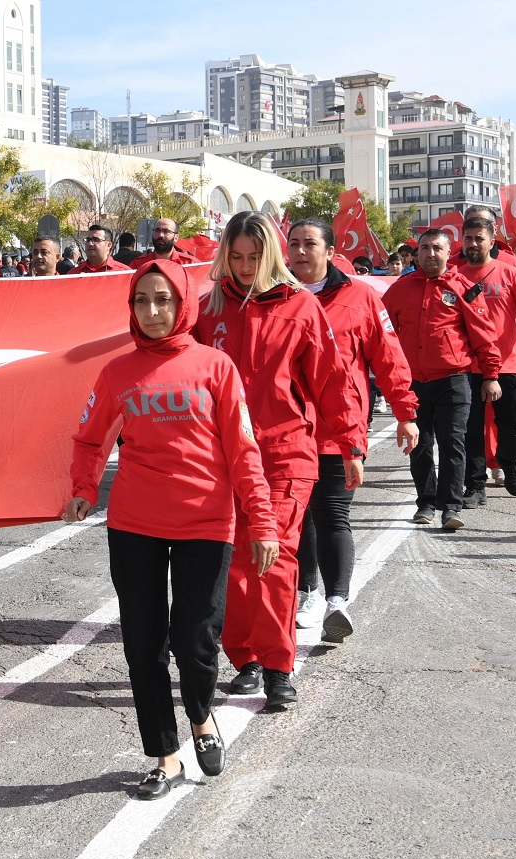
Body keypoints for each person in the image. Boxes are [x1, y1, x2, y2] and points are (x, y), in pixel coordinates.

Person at [65, 258, 274, 800]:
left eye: (164, 300)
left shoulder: (215, 367)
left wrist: (262, 519)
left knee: (195, 639)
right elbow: (90, 438)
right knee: (143, 644)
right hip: (135, 523)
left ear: (183, 304)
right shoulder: (116, 371)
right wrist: (85, 488)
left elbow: (243, 447)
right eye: (142, 301)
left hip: (206, 520)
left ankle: (202, 717)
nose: (153, 311)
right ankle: (165, 755)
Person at [196, 212, 365, 709]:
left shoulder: (300, 309)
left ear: (272, 255)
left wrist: (351, 442)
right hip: (223, 457)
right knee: (236, 560)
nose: (246, 267)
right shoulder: (209, 311)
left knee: (276, 555)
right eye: (237, 257)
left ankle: (277, 666)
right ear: (225, 255)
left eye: (255, 256)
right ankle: (245, 658)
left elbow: (333, 382)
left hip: (287, 453)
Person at [286, 219, 419, 640]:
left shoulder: (359, 296)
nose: (301, 252)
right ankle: (306, 590)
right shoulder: (274, 296)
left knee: (333, 514)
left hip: (339, 428)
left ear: (330, 250)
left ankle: (336, 602)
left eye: (310, 244)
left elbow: (389, 357)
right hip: (286, 428)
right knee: (299, 514)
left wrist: (406, 412)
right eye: (293, 244)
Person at [381, 228, 502, 529]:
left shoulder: (464, 287)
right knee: (418, 445)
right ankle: (425, 503)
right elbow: (382, 333)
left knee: (453, 442)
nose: (430, 253)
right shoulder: (400, 288)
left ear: (449, 253)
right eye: (424, 248)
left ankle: (451, 507)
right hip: (413, 382)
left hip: (454, 379)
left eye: (437, 248)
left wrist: (491, 375)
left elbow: (484, 334)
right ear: (416, 253)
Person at [457, 214, 516, 507]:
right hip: (467, 368)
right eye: (468, 238)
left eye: (479, 238)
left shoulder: (509, 273)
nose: (473, 244)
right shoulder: (453, 277)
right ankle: (475, 484)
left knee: (511, 424)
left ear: (491, 240)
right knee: (471, 428)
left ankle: (509, 463)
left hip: (508, 364)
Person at [129, 218, 195, 268]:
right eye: (157, 230)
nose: (160, 235)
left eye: (166, 231)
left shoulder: (190, 264)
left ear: (176, 237)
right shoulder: (138, 264)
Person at [66, 226, 130, 274]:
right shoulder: (74, 274)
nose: (90, 244)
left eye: (96, 240)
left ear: (108, 245)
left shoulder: (124, 273)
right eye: (88, 240)